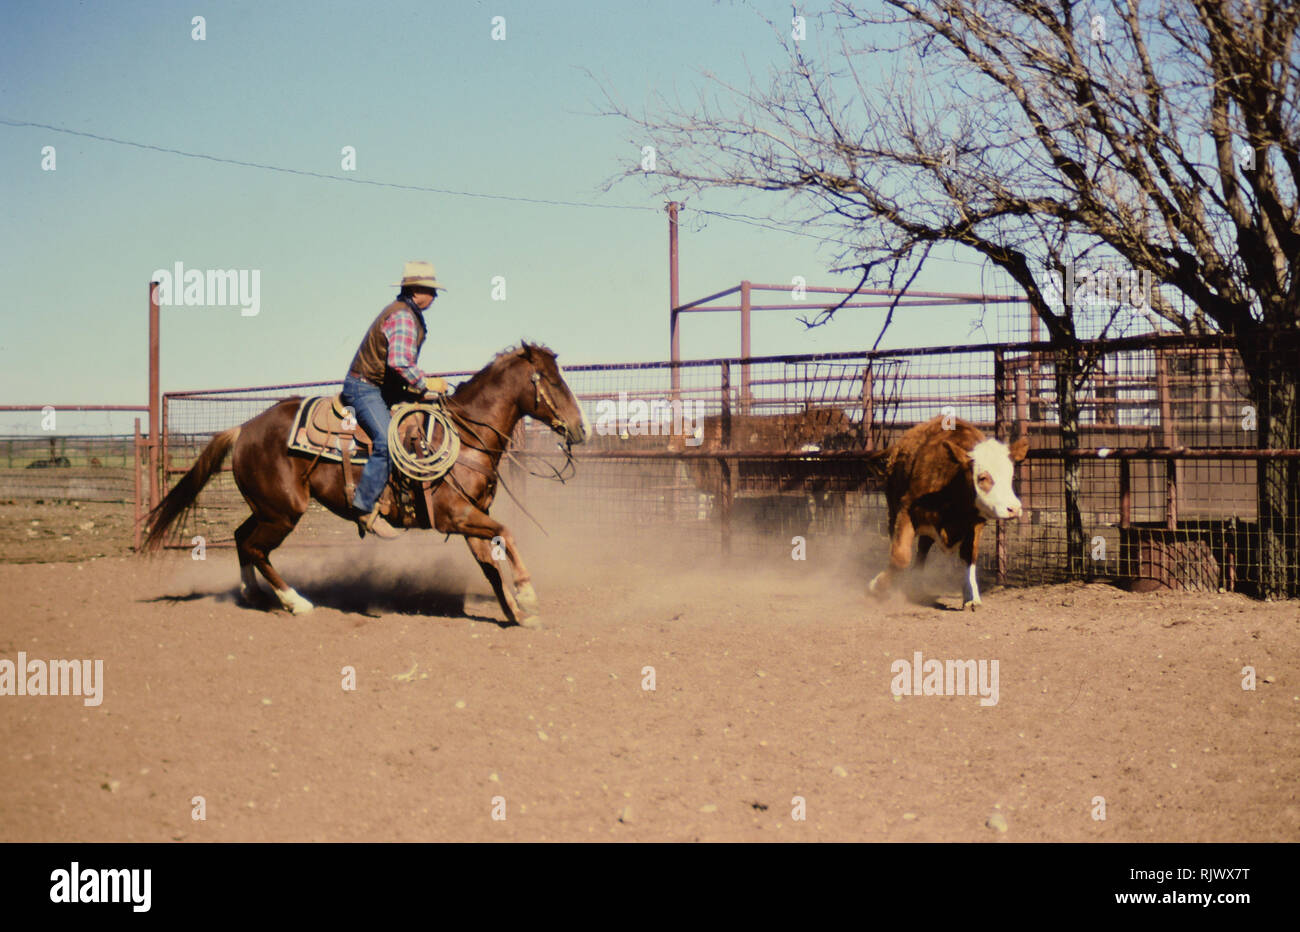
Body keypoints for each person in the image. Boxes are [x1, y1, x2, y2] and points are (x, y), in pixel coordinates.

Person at [341, 261, 449, 538]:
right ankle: (364, 507)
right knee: (387, 441)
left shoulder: (407, 313)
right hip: (365, 388)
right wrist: (425, 384)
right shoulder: (403, 316)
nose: (435, 297)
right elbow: (399, 362)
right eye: (430, 290)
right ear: (415, 290)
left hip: (380, 387)